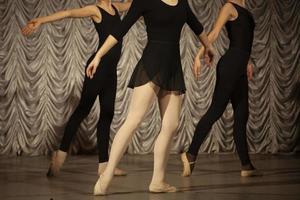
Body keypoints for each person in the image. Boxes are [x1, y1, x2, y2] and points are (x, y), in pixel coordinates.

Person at [86, 0, 215, 195]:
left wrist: (208, 47)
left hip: (172, 68)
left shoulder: (182, 3)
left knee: (171, 125)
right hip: (152, 63)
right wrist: (98, 56)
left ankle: (158, 181)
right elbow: (120, 30)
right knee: (134, 120)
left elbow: (197, 27)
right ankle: (107, 175)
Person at [21, 0, 132, 177]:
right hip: (96, 68)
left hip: (111, 72)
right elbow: (68, 14)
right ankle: (61, 154)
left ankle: (103, 165)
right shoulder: (95, 10)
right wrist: (41, 20)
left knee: (107, 114)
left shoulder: (116, 7)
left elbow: (134, 4)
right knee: (83, 110)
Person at [181, 0, 261, 178]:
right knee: (216, 110)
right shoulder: (229, 7)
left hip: (239, 67)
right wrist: (199, 55)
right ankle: (190, 153)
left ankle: (246, 165)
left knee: (242, 115)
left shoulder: (245, 9)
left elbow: (245, 39)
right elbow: (215, 33)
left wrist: (247, 61)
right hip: (230, 66)